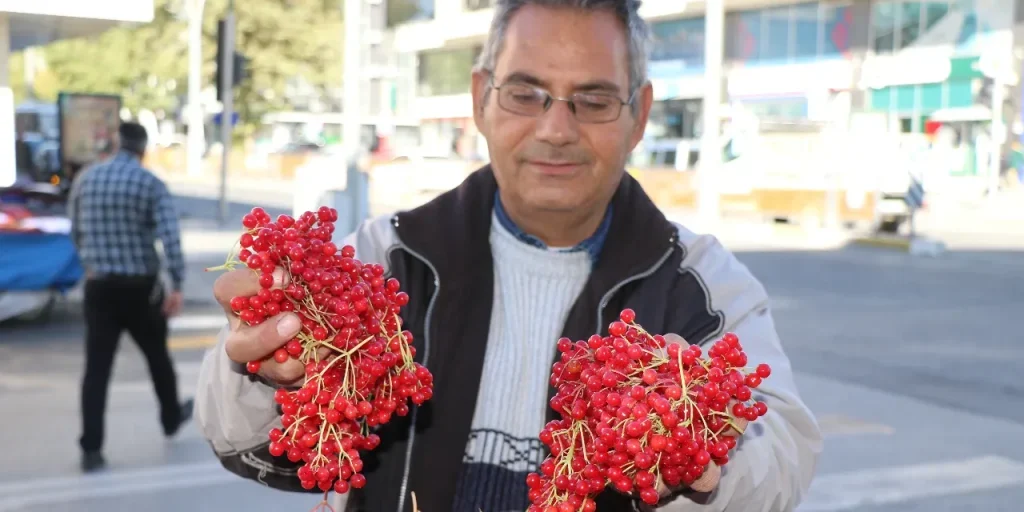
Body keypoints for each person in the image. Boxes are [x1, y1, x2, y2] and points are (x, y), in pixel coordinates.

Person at [195, 1, 823, 510]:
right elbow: (243, 444)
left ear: (639, 117)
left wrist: (699, 450)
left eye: (594, 100)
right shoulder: (383, 259)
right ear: (481, 99)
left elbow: (784, 453)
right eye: (527, 94)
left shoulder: (701, 285)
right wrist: (262, 365)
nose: (556, 129)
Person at [68, 121, 193, 472]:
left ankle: (91, 448)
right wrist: (178, 284)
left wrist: (91, 263)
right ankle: (170, 417)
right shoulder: (150, 183)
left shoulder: (86, 179)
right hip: (140, 289)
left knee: (96, 369)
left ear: (115, 143)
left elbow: (75, 230)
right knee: (157, 357)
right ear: (143, 149)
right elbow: (170, 238)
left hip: (100, 287)